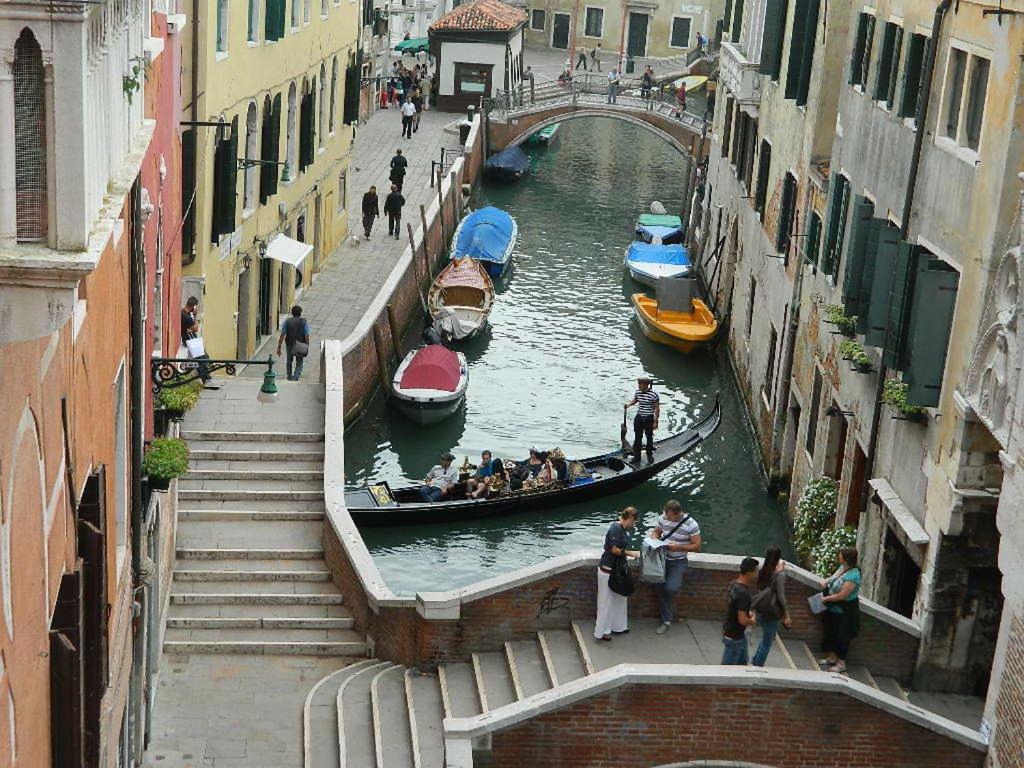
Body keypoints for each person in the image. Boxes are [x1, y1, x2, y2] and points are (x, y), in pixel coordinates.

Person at [650, 500, 701, 633]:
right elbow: (656, 532)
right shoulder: (663, 517)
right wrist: (654, 539)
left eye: (668, 515)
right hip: (662, 559)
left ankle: (669, 615)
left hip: (679, 561)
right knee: (660, 588)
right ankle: (666, 619)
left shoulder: (691, 525)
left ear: (677, 514)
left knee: (671, 587)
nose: (665, 517)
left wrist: (678, 547)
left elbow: (696, 546)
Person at [595, 507, 640, 641]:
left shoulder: (620, 528)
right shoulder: (615, 528)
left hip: (616, 569)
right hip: (608, 569)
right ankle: (603, 631)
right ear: (631, 518)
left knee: (620, 597)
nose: (634, 525)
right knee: (605, 600)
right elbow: (614, 550)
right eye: (634, 521)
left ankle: (618, 626)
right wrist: (630, 553)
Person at [819, 547, 861, 674]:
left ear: (846, 559)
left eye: (840, 555)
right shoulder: (843, 568)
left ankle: (841, 664)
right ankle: (832, 657)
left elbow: (843, 595)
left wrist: (827, 598)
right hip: (833, 608)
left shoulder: (853, 575)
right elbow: (833, 579)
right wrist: (825, 582)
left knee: (842, 636)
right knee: (830, 632)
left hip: (845, 611)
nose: (838, 556)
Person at [751, 546, 791, 667]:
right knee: (767, 642)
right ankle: (758, 665)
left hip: (761, 609)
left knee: (768, 637)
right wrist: (787, 614)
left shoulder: (762, 570)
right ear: (778, 559)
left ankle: (755, 659)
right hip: (771, 612)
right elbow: (781, 597)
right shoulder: (779, 575)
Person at [722, 557, 760, 665]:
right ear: (749, 572)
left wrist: (747, 611)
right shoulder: (744, 594)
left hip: (733, 631)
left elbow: (735, 607)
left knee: (742, 663)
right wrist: (752, 621)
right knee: (726, 670)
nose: (757, 573)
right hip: (734, 637)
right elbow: (742, 620)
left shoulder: (733, 584)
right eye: (756, 571)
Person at [624, 375, 660, 463]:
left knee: (649, 437)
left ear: (646, 385)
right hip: (639, 417)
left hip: (649, 418)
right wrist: (628, 405)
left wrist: (656, 421)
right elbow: (635, 400)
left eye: (640, 384)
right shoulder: (638, 392)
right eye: (638, 384)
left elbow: (657, 408)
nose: (638, 386)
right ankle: (637, 457)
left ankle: (649, 455)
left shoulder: (654, 395)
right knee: (637, 437)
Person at [180, 296, 212, 383]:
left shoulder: (182, 313)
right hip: (190, 340)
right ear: (194, 306)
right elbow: (195, 328)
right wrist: (194, 315)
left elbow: (192, 328)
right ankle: (206, 379)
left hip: (190, 339)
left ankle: (207, 378)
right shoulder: (187, 317)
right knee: (202, 358)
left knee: (204, 357)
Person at [276, 305, 311, 381]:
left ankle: (289, 376)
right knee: (299, 361)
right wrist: (307, 345)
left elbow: (282, 335)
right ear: (300, 313)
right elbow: (306, 335)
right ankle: (295, 376)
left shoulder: (287, 322)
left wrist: (279, 346)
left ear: (292, 313)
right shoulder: (304, 322)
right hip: (300, 344)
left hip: (289, 343)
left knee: (289, 360)